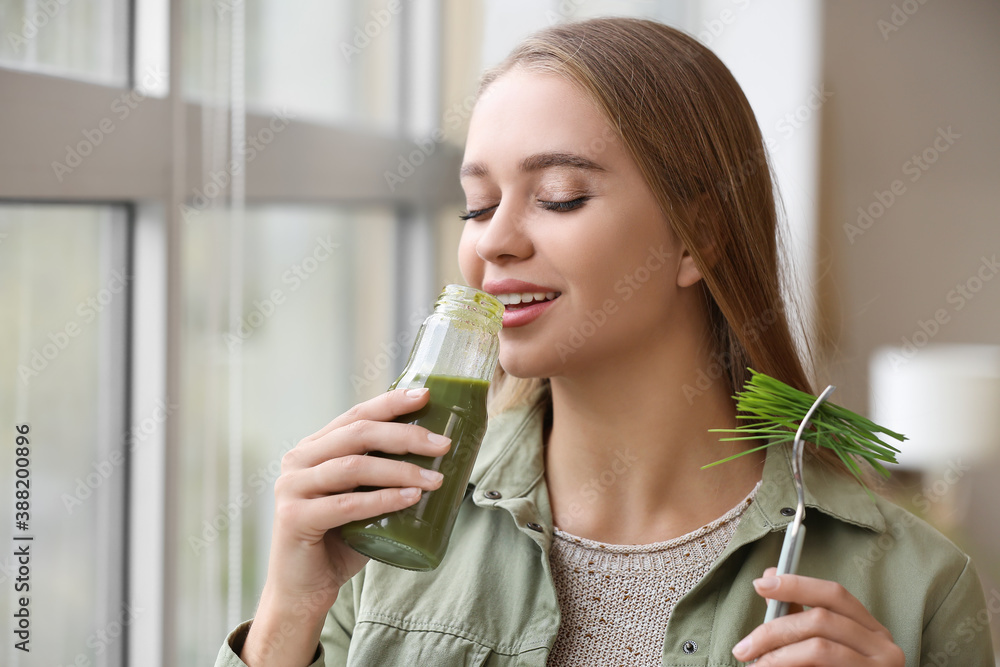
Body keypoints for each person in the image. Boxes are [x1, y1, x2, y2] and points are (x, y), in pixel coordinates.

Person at [215, 17, 996, 667]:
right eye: (478, 207)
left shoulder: (917, 582)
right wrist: (288, 616)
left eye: (559, 197)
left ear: (699, 237)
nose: (495, 243)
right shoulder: (386, 528)